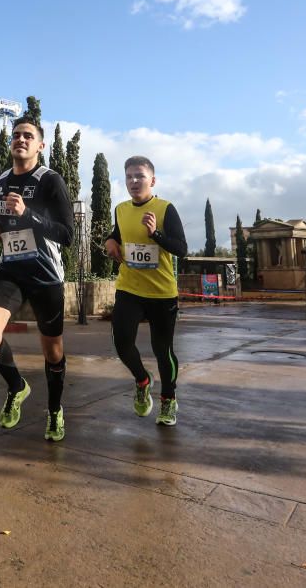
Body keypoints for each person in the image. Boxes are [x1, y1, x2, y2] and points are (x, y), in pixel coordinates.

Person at [0, 117, 74, 442]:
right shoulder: (2, 179)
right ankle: (17, 386)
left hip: (45, 273)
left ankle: (56, 409)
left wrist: (29, 216)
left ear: (40, 145)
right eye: (17, 135)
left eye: (28, 136)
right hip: (12, 268)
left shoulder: (50, 180)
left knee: (53, 351)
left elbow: (67, 235)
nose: (21, 139)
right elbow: (3, 221)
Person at [105, 156, 187, 426]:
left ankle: (168, 400)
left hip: (162, 293)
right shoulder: (120, 209)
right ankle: (142, 379)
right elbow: (118, 232)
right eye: (129, 176)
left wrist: (156, 235)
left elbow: (181, 249)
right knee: (121, 342)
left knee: (162, 350)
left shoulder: (165, 209)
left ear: (152, 180)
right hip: (129, 288)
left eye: (139, 176)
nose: (133, 181)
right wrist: (110, 241)